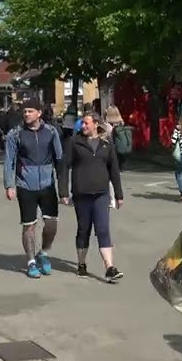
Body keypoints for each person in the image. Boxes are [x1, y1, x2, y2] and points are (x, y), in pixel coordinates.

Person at [59, 113, 124, 281]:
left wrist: (118, 194)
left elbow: (114, 170)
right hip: (82, 194)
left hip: (101, 194)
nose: (83, 126)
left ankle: (110, 267)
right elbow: (64, 167)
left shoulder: (106, 144)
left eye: (86, 123)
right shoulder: (74, 142)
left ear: (96, 124)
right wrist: (64, 192)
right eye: (82, 124)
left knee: (103, 230)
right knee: (84, 230)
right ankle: (81, 263)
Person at [4, 98, 64, 279]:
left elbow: (59, 159)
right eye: (24, 111)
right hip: (25, 185)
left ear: (39, 113)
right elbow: (9, 161)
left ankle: (44, 253)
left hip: (47, 185)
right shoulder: (15, 134)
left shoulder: (51, 132)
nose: (26, 114)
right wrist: (9, 184)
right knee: (29, 226)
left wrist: (63, 189)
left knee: (51, 224)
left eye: (30, 111)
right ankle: (31, 261)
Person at [108, 106, 132, 171]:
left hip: (114, 146)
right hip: (122, 144)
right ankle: (122, 166)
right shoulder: (121, 122)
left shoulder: (109, 124)